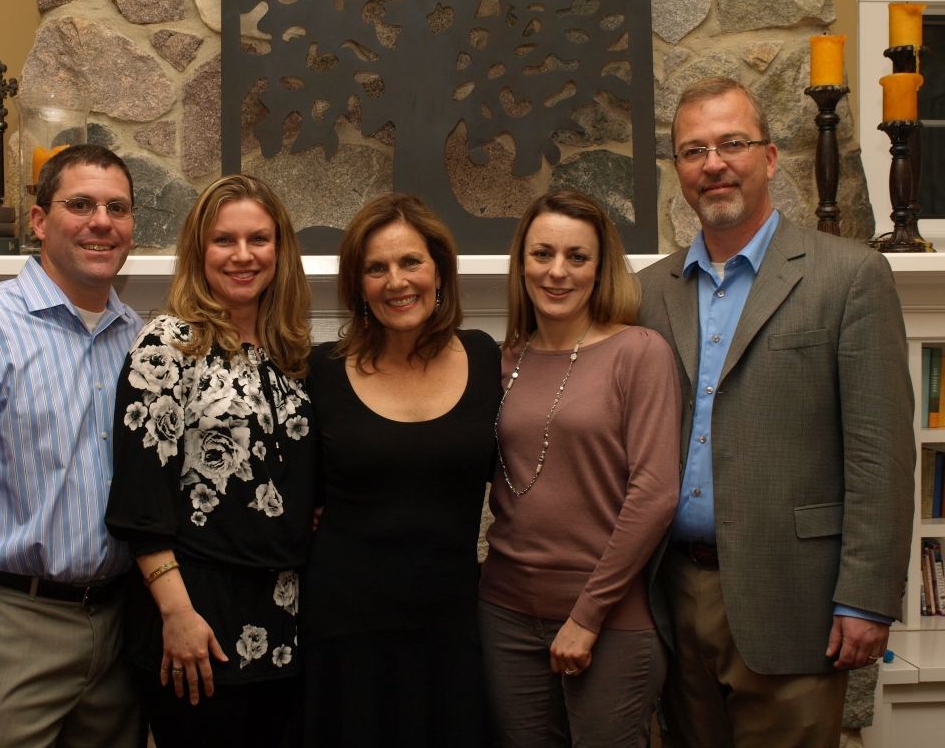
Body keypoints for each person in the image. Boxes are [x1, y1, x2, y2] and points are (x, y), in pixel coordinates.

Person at [637, 77, 915, 748]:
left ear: (769, 157)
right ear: (679, 172)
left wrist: (866, 599)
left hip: (798, 600)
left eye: (732, 143)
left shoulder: (848, 276)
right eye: (693, 150)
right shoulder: (649, 291)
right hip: (672, 594)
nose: (713, 164)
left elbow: (880, 454)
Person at [0, 145, 144, 747]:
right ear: (40, 221)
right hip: (12, 625)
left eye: (116, 208)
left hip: (121, 629)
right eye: (81, 204)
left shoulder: (145, 343)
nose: (102, 221)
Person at [105, 173, 317, 747]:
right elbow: (139, 501)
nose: (243, 255)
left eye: (259, 239)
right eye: (225, 240)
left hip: (283, 625)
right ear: (200, 251)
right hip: (194, 626)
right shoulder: (168, 345)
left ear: (281, 249)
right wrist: (176, 613)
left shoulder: (291, 354)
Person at [478, 189, 681, 748]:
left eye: (577, 257)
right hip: (504, 612)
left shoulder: (639, 352)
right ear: (521, 263)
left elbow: (655, 493)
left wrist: (587, 616)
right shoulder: (505, 359)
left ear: (600, 268)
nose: (557, 272)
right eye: (542, 254)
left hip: (609, 618)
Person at [301, 192, 500, 748]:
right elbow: (296, 495)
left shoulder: (486, 358)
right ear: (357, 284)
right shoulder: (321, 370)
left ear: (439, 270)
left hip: (451, 625)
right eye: (376, 268)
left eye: (410, 261)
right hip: (345, 628)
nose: (396, 281)